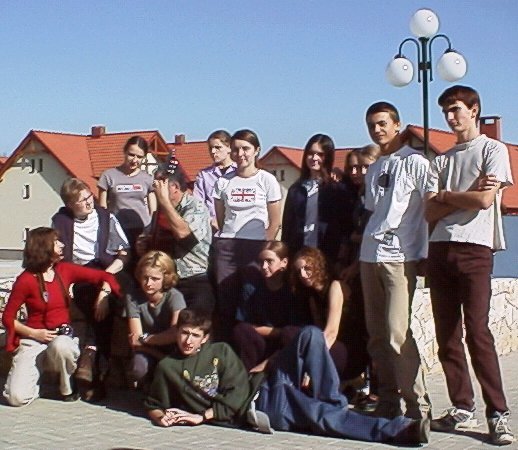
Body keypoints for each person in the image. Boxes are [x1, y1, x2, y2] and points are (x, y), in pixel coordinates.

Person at [144, 309, 429, 446]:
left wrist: (202, 416)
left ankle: (332, 401)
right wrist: (161, 418)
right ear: (176, 333)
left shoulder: (220, 351)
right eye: (184, 333)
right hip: (264, 408)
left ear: (205, 338)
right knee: (322, 416)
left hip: (267, 384)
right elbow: (153, 403)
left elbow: (239, 389)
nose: (188, 340)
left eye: (195, 335)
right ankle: (399, 431)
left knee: (310, 335)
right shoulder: (168, 368)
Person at [424, 85, 514, 446]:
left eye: (456, 109)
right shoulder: (441, 160)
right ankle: (462, 407)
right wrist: (457, 195)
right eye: (446, 111)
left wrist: (447, 196)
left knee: (477, 331)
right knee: (446, 335)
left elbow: (484, 200)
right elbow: (429, 211)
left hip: (475, 249)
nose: (450, 117)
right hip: (439, 248)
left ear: (474, 110)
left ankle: (498, 414)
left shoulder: (493, 150)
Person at [359, 102, 431, 420]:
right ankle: (388, 401)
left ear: (397, 124)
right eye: (372, 125)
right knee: (377, 335)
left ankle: (418, 406)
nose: (377, 130)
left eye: (382, 123)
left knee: (397, 332)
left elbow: (432, 208)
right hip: (369, 255)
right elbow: (373, 211)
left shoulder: (416, 162)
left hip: (401, 257)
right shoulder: (375, 167)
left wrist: (426, 254)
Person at [2, 227, 120, 406]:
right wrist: (34, 333)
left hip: (60, 337)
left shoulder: (64, 270)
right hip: (33, 339)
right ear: (44, 247)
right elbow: (8, 318)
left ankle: (67, 387)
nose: (62, 245)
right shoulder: (26, 280)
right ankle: (36, 385)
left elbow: (102, 275)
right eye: (56, 242)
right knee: (16, 398)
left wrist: (105, 292)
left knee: (61, 346)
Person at [52, 177, 130, 401]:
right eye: (82, 200)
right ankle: (95, 369)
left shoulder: (105, 217)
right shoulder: (61, 221)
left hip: (108, 269)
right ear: (70, 205)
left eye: (89, 197)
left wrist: (106, 284)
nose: (89, 202)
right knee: (87, 296)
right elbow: (56, 256)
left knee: (108, 301)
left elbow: (124, 254)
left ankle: (92, 356)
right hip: (79, 273)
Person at [212, 129, 282, 340]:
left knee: (252, 296)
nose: (240, 153)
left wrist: (265, 245)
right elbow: (221, 219)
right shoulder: (223, 182)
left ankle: (253, 344)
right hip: (228, 246)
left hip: (256, 247)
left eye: (246, 148)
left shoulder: (267, 180)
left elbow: (275, 221)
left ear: (256, 150)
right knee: (226, 299)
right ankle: (226, 346)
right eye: (235, 149)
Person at [139, 164, 215, 314]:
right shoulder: (160, 211)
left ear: (174, 187)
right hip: (166, 282)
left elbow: (185, 237)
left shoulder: (195, 207)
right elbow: (151, 236)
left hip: (193, 279)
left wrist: (165, 203)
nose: (155, 188)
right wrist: (143, 243)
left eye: (159, 184)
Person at [338, 145, 380, 410]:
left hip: (367, 264)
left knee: (373, 331)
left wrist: (356, 242)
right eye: (352, 167)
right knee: (355, 329)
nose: (357, 172)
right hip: (352, 265)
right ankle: (357, 382)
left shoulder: (374, 194)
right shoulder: (354, 195)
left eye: (363, 167)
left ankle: (378, 389)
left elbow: (367, 233)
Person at [232, 241, 310, 371]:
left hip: (285, 344)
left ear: (284, 262)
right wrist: (275, 332)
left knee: (291, 333)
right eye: (261, 261)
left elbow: (296, 329)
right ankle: (248, 375)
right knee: (241, 331)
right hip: (260, 341)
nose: (264, 266)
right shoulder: (251, 288)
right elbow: (245, 323)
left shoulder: (293, 290)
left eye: (269, 261)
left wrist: (280, 332)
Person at [281, 134, 354, 266]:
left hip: (328, 254)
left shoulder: (336, 189)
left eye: (320, 154)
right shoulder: (296, 189)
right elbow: (288, 226)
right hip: (299, 253)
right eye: (311, 153)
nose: (314, 158)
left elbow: (345, 223)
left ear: (328, 157)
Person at [126, 251, 186, 386]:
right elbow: (136, 339)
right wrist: (146, 343)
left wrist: (146, 339)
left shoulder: (175, 297)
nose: (148, 283)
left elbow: (175, 333)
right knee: (138, 369)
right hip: (147, 350)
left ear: (165, 278)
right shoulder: (133, 297)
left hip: (171, 350)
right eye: (145, 278)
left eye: (155, 279)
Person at [291, 247, 349, 379]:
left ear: (318, 266)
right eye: (299, 271)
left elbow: (331, 332)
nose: (303, 275)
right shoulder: (312, 296)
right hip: (327, 346)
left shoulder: (336, 286)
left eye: (307, 268)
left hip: (348, 347)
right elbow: (319, 330)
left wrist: (311, 363)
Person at [98, 135, 156, 253]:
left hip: (142, 231)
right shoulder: (108, 176)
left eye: (139, 157)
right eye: (131, 155)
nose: (134, 160)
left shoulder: (147, 178)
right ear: (124, 152)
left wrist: (149, 230)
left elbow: (153, 209)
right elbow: (102, 208)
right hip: (118, 231)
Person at [193, 130, 236, 232]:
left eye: (217, 147)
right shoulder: (204, 175)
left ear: (229, 148)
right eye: (210, 148)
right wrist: (210, 220)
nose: (213, 152)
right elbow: (198, 204)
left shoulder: (239, 172)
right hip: (212, 230)